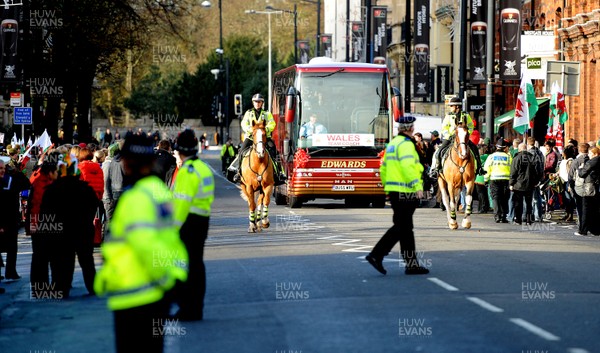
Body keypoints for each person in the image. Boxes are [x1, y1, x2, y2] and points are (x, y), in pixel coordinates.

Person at [94, 134, 188, 353]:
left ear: (127, 163)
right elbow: (172, 239)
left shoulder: (134, 198)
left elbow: (144, 244)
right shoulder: (160, 192)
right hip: (155, 295)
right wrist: (174, 279)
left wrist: (105, 278)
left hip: (133, 295)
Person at [365, 115, 429, 276]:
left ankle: (411, 264)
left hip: (395, 192)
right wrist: (417, 186)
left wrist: (388, 190)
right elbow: (409, 167)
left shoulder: (392, 144)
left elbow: (383, 169)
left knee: (405, 228)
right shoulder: (407, 145)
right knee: (402, 227)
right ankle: (376, 255)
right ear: (411, 129)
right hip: (406, 191)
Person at [40, 152, 98, 297]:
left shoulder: (52, 190)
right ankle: (93, 287)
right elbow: (94, 206)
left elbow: (45, 214)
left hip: (61, 233)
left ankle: (62, 288)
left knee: (63, 261)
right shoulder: (86, 189)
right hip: (83, 230)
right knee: (87, 260)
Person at [171, 130, 215, 321]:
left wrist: (172, 228)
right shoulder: (203, 168)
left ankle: (187, 308)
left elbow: (181, 204)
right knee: (197, 265)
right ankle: (196, 307)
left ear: (180, 151)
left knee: (183, 266)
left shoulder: (186, 173)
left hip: (187, 222)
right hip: (202, 220)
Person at [229, 93, 286, 185]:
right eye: (255, 102)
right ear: (253, 103)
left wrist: (266, 129)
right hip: (251, 137)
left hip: (264, 137)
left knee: (274, 151)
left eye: (259, 102)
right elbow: (244, 123)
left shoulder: (267, 113)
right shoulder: (248, 113)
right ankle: (239, 173)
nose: (257, 103)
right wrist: (250, 130)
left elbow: (272, 123)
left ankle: (279, 173)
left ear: (262, 103)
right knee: (241, 151)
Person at [29, 152, 60, 298]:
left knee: (41, 258)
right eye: (57, 172)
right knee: (42, 258)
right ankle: (41, 288)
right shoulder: (42, 182)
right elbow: (37, 205)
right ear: (51, 171)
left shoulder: (40, 178)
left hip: (42, 223)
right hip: (44, 224)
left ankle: (42, 287)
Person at [432, 97, 484, 176]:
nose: (450, 107)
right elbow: (444, 127)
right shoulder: (448, 116)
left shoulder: (466, 115)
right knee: (439, 151)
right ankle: (437, 168)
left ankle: (479, 168)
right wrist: (448, 135)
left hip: (462, 138)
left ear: (456, 106)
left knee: (475, 149)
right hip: (450, 138)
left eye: (451, 106)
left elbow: (471, 126)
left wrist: (467, 134)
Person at [0, 159, 31, 280]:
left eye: (3, 168)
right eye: (0, 169)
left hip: (11, 219)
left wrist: (16, 171)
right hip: (3, 219)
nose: (2, 171)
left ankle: (11, 271)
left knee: (12, 247)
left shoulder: (10, 180)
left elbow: (26, 183)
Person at [510, 143, 541, 225]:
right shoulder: (532, 157)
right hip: (530, 184)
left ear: (519, 149)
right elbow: (537, 171)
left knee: (518, 203)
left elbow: (513, 172)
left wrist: (511, 183)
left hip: (518, 184)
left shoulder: (516, 158)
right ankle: (528, 219)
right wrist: (536, 181)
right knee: (529, 203)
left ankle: (518, 219)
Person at [484, 138, 512, 223]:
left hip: (494, 179)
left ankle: (497, 216)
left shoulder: (491, 157)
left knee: (495, 198)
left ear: (497, 147)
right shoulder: (508, 157)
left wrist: (486, 180)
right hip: (506, 180)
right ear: (504, 148)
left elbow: (487, 168)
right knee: (504, 198)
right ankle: (503, 216)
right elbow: (512, 168)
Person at [575, 146, 600, 236]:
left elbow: (582, 174)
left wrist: (580, 168)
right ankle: (595, 230)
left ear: (595, 154)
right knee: (595, 209)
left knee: (586, 209)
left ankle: (583, 230)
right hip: (595, 187)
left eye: (590, 153)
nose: (588, 155)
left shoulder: (592, 162)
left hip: (589, 187)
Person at [569, 143, 590, 235]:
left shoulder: (576, 161)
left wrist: (571, 186)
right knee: (589, 208)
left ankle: (582, 227)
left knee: (580, 208)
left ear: (579, 150)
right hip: (590, 187)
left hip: (579, 186)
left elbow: (570, 175)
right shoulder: (591, 160)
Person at [527, 137, 546, 222]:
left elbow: (532, 167)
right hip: (539, 177)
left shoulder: (529, 153)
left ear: (528, 143)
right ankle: (538, 215)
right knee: (537, 197)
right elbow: (542, 165)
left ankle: (534, 215)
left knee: (532, 198)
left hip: (532, 178)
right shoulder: (540, 152)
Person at [558, 145, 577, 222]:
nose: (561, 153)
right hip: (562, 181)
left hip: (567, 182)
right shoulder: (563, 160)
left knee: (569, 199)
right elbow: (560, 170)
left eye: (563, 152)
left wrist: (570, 184)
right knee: (565, 199)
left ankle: (570, 215)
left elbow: (570, 173)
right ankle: (566, 213)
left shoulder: (570, 161)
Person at [475, 144, 491, 213]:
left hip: (479, 178)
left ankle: (482, 208)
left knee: (481, 194)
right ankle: (485, 207)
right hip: (487, 177)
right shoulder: (489, 156)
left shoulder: (480, 157)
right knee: (485, 194)